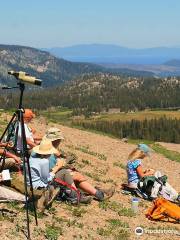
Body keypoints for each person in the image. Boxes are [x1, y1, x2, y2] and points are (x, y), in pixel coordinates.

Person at [43, 127, 115, 202]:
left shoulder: (45, 148)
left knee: (75, 175)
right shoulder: (49, 152)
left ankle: (98, 193)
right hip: (51, 176)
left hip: (52, 174)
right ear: (57, 140)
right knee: (76, 176)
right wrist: (61, 166)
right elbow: (50, 169)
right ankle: (90, 194)